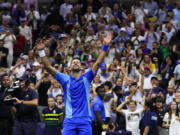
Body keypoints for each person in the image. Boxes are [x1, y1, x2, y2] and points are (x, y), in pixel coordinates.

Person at [36, 31, 113, 135]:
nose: (76, 62)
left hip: (85, 120)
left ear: (82, 67)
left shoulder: (87, 77)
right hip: (69, 121)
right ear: (69, 68)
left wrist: (105, 46)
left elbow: (98, 63)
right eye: (73, 62)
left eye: (78, 62)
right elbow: (48, 67)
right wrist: (41, 51)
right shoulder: (65, 79)